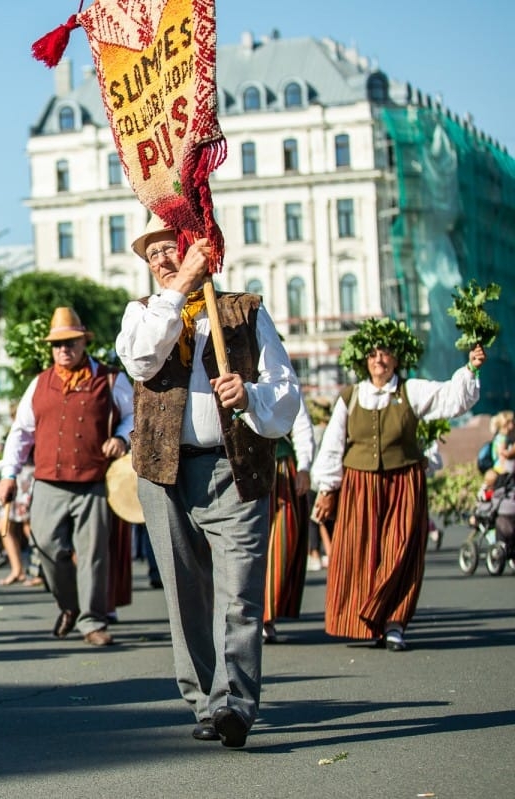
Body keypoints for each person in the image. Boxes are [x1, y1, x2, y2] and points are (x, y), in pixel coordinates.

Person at [115, 215, 301, 748]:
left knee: (240, 591)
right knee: (184, 591)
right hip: (162, 470)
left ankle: (235, 704)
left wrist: (250, 397)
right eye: (154, 257)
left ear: (202, 250)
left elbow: (285, 391)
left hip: (234, 465)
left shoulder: (245, 311)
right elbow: (142, 360)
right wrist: (176, 291)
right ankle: (203, 699)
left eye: (172, 249)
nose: (163, 261)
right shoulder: (144, 313)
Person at [310, 319, 484, 652]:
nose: (379, 360)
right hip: (360, 484)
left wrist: (470, 368)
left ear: (396, 359)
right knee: (361, 553)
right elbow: (332, 446)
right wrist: (328, 490)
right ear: (364, 360)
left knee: (401, 550)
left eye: (385, 354)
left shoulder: (411, 391)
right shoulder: (351, 397)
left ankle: (394, 623)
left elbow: (451, 398)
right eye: (373, 354)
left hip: (404, 481)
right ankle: (367, 622)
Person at [0, 307, 134, 647]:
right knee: (45, 545)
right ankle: (69, 605)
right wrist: (9, 473)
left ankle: (92, 622)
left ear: (83, 342)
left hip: (94, 480)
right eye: (57, 344)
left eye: (71, 342)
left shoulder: (110, 378)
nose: (64, 350)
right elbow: (21, 432)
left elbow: (133, 416)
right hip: (48, 480)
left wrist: (121, 437)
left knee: (92, 554)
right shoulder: (39, 383)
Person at [262, 400, 316, 643]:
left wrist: (304, 467)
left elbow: (301, 424)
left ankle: (266, 616)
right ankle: (247, 616)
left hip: (280, 467)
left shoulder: (280, 373)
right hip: (237, 467)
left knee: (283, 540)